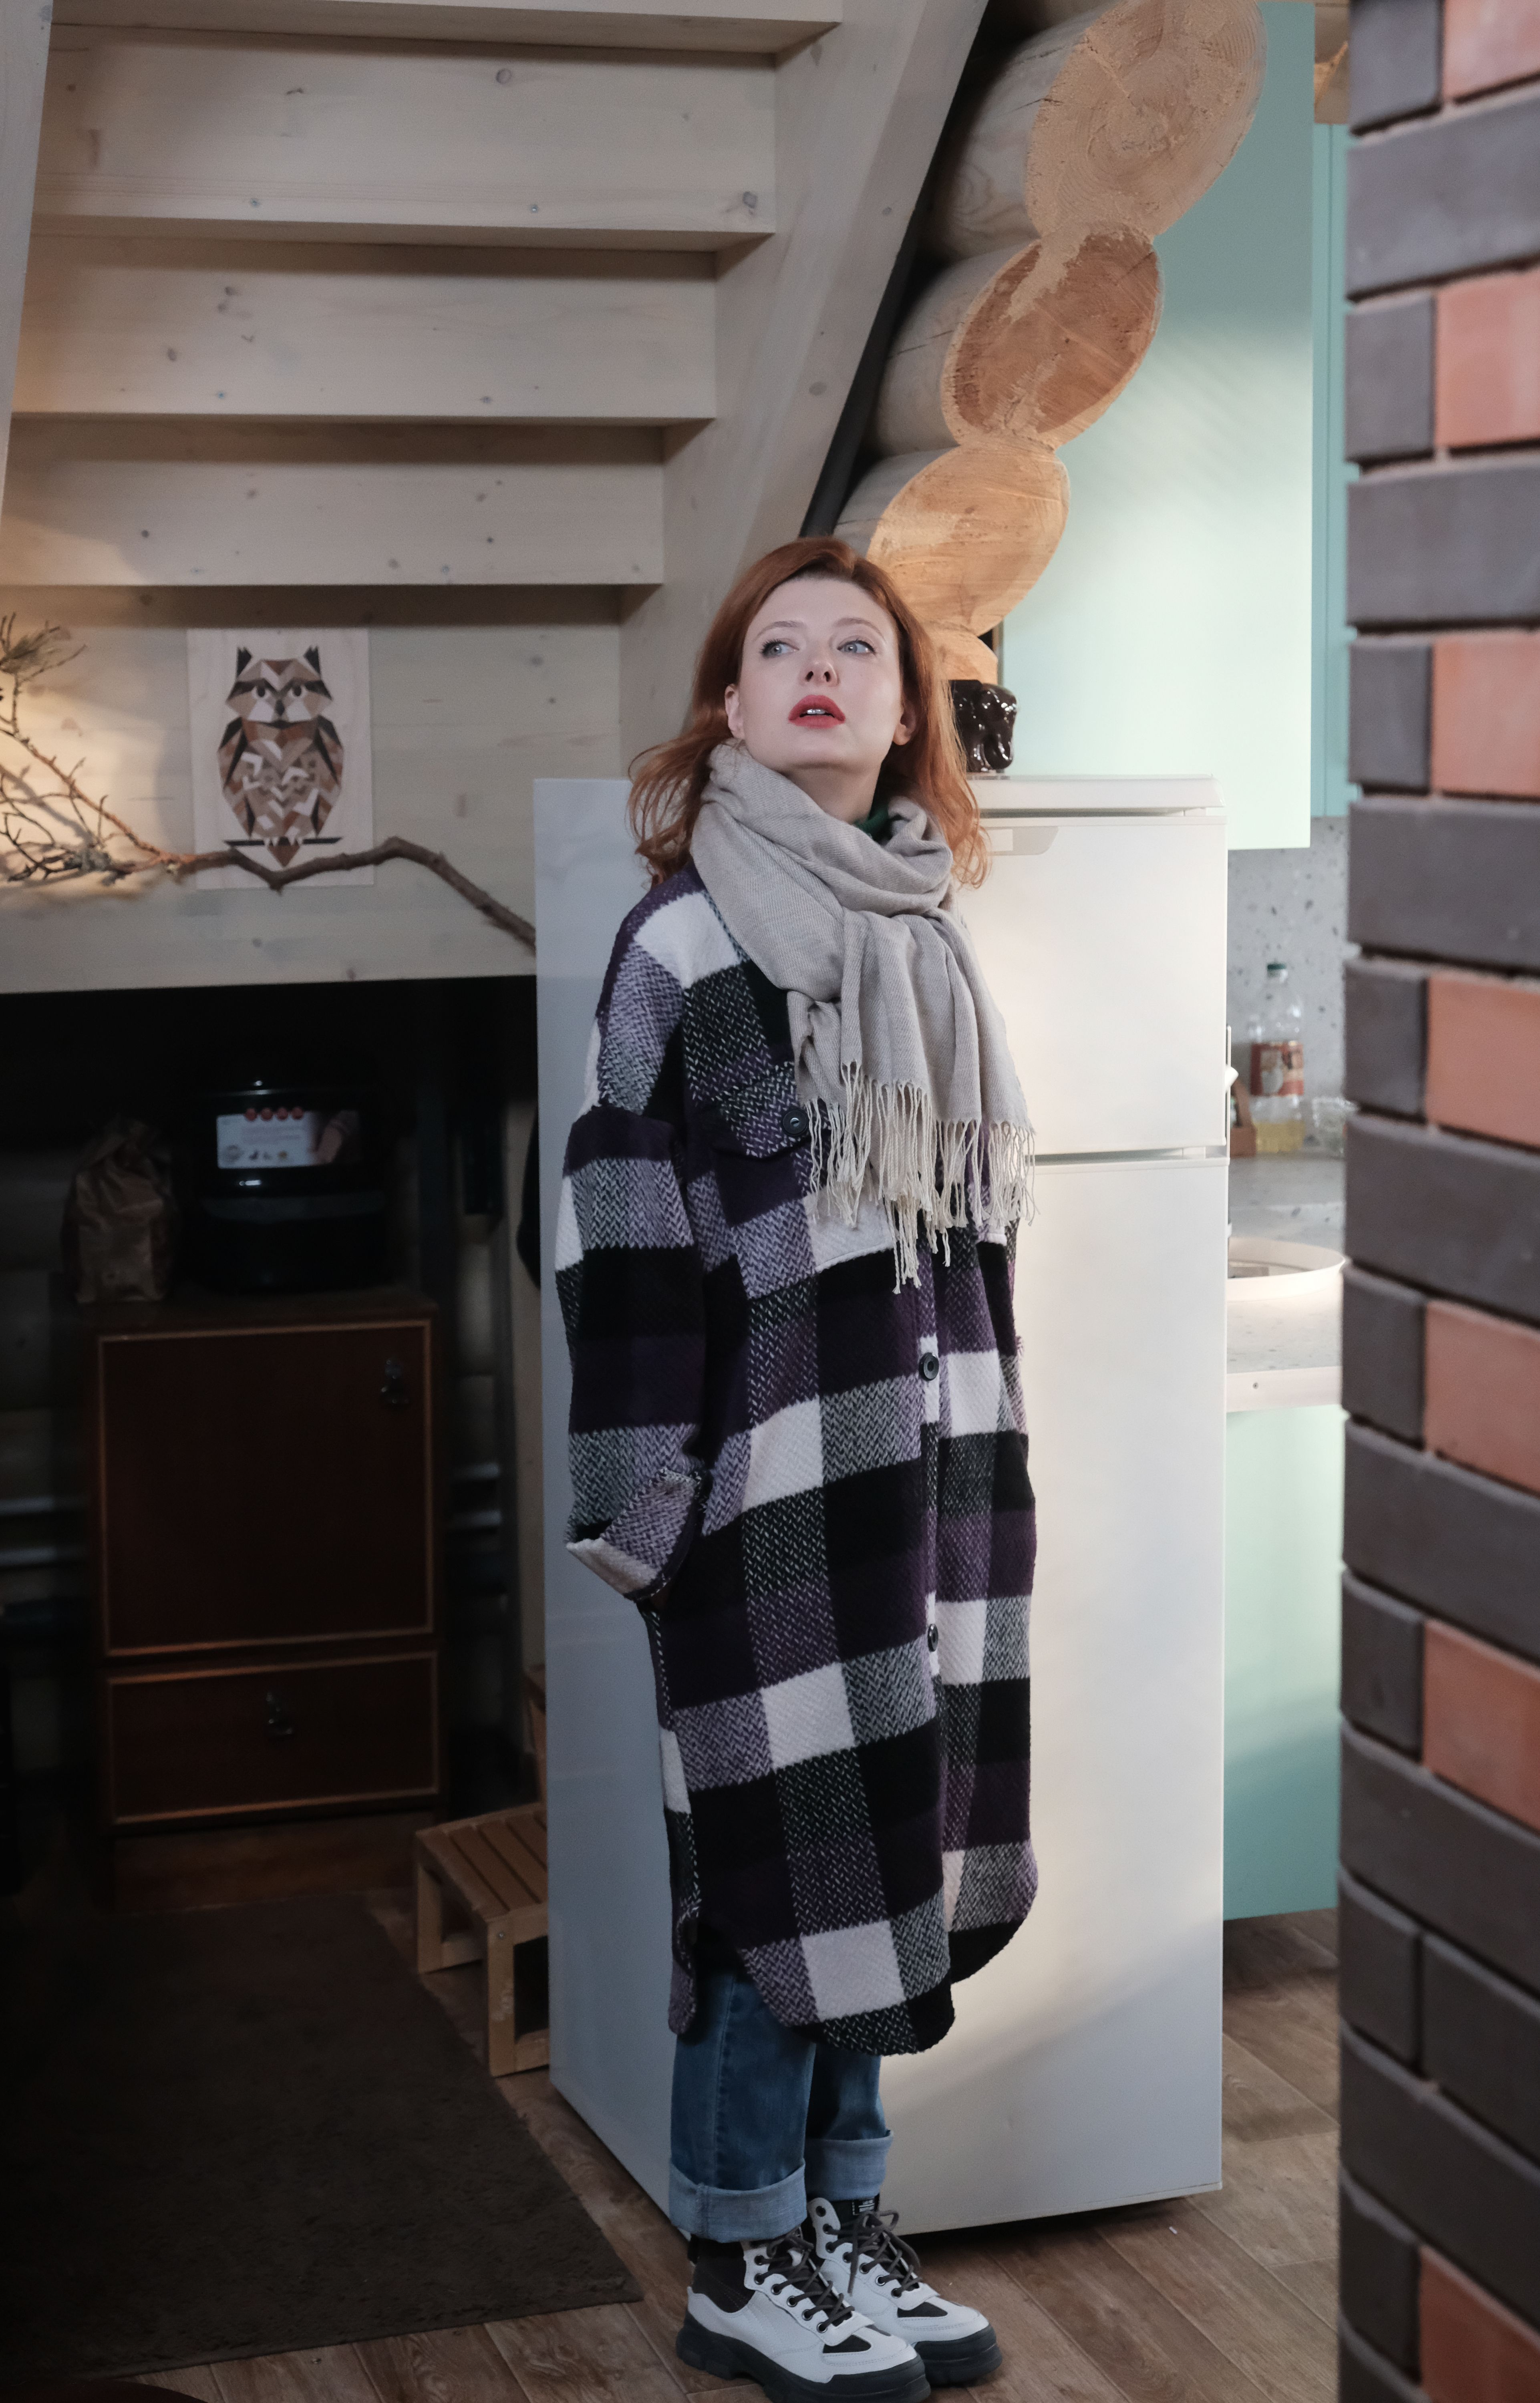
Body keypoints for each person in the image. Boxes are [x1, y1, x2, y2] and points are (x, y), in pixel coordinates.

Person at [558, 536, 1036, 2401]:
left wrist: (988, 1457)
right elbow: (618, 1237)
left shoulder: (925, 935)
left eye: (858, 647)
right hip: (759, 1497)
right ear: (731, 707)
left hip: (923, 1472)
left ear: (907, 714)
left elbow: (963, 1241)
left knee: (889, 1857)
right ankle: (739, 2254)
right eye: (780, 648)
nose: (821, 669)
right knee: (772, 1889)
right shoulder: (678, 944)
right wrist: (649, 1512)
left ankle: (843, 2222)